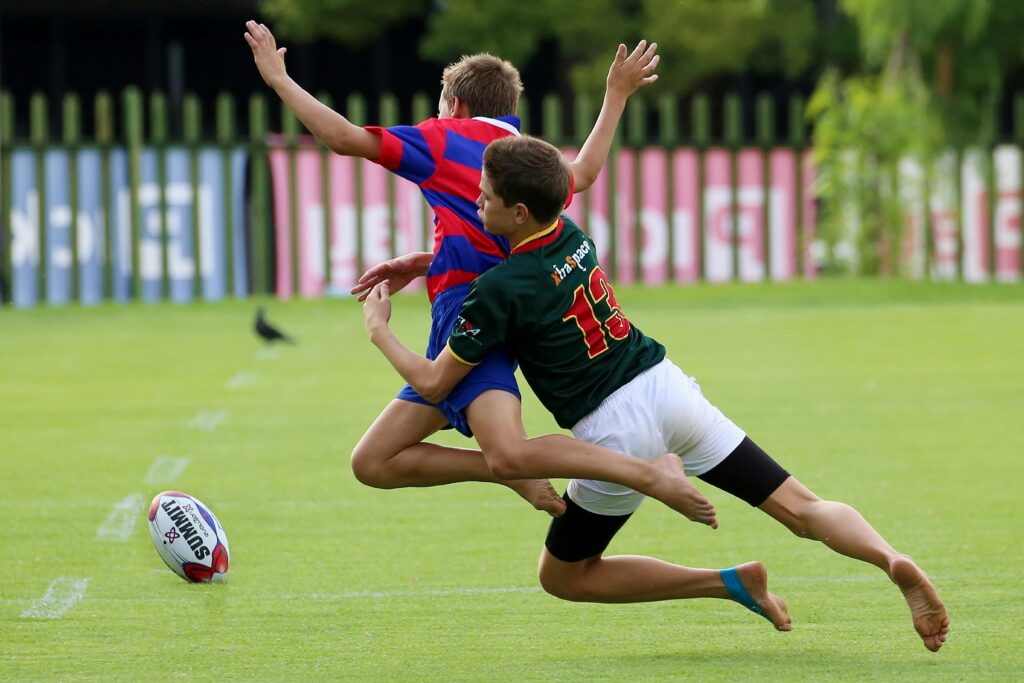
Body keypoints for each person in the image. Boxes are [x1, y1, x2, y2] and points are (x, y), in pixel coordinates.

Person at [361, 135, 950, 651]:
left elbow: (437, 381)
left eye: (484, 196)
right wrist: (429, 259)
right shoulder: (571, 234)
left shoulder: (497, 290)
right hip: (669, 388)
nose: (476, 202)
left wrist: (381, 330)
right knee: (803, 508)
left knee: (563, 575)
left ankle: (690, 535)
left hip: (617, 430)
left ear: (517, 211)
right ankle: (889, 557)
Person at [245, 22, 718, 525]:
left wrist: (278, 78)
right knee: (374, 461)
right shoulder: (523, 155)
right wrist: (615, 95)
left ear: (456, 107)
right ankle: (512, 473)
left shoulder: (444, 137)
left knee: (508, 449)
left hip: (471, 314)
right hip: (507, 302)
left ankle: (641, 472)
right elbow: (583, 174)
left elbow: (342, 137)